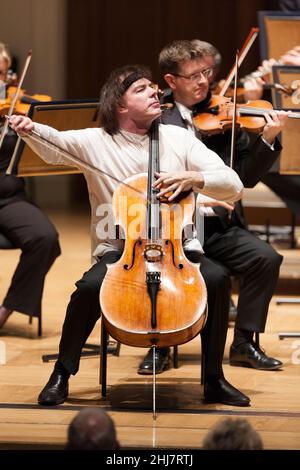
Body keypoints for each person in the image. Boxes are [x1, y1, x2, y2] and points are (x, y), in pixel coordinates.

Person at [9, 63, 250, 408]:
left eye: (154, 87)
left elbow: (234, 185)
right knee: (89, 289)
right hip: (121, 251)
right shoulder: (96, 142)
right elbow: (54, 145)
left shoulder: (179, 139)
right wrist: (28, 128)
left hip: (178, 249)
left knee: (217, 279)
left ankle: (213, 378)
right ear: (119, 105)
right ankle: (62, 372)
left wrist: (195, 179)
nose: (155, 92)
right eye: (141, 89)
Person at [138, 40, 287, 377]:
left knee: (266, 258)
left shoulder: (223, 114)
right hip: (172, 226)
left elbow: (245, 178)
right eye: (193, 76)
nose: (203, 81)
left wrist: (269, 137)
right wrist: (198, 194)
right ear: (171, 81)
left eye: (206, 73)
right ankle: (158, 345)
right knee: (163, 271)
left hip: (219, 227)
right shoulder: (155, 117)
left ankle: (245, 343)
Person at [0, 42, 61, 330]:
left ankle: (7, 309)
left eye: (1, 74)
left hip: (8, 198)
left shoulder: (15, 108)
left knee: (45, 237)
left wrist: (30, 129)